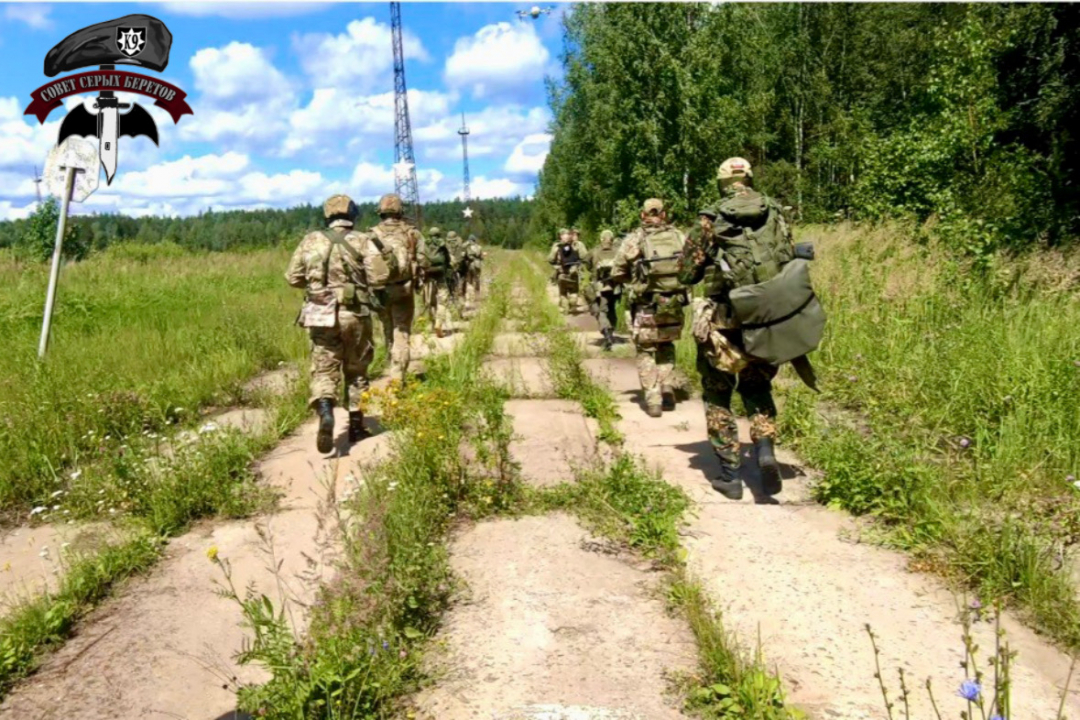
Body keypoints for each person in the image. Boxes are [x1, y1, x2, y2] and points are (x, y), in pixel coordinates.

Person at [677, 157, 797, 500]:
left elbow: (687, 273)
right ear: (750, 178)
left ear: (722, 183)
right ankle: (764, 449)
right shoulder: (774, 211)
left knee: (717, 390)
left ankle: (730, 474)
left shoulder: (710, 218)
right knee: (757, 386)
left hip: (725, 320)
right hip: (767, 316)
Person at [285, 194, 397, 454]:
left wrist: (316, 286)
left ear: (328, 215)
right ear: (352, 214)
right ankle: (356, 425)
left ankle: (325, 409)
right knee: (357, 368)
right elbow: (380, 276)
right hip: (354, 312)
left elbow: (292, 277)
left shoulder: (310, 240)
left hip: (319, 313)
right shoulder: (363, 240)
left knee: (324, 368)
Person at [610, 199, 687, 417]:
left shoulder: (634, 239)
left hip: (645, 304)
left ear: (643, 215)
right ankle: (667, 386)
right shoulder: (678, 236)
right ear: (663, 215)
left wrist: (633, 281)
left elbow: (617, 271)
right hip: (673, 303)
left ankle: (653, 400)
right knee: (666, 345)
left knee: (645, 350)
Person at [368, 194, 424, 385]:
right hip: (404, 290)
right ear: (400, 211)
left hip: (379, 291)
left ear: (380, 211)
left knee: (387, 329)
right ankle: (397, 376)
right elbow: (424, 259)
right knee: (402, 331)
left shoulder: (371, 234)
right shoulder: (412, 233)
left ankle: (391, 363)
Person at [585, 229, 621, 350]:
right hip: (615, 287)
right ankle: (610, 332)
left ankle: (607, 334)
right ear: (612, 239)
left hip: (599, 287)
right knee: (611, 309)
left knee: (601, 311)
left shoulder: (594, 251)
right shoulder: (618, 251)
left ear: (601, 239)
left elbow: (586, 263)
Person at [420, 227, 455, 338]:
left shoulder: (424, 243)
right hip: (440, 274)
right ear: (439, 234)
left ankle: (432, 322)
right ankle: (438, 323)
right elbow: (448, 259)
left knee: (428, 300)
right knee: (443, 298)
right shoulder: (442, 243)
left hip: (427, 273)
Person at [547, 228, 588, 314]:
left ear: (560, 236)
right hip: (574, 273)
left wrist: (556, 264)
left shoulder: (557, 246)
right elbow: (585, 257)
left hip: (561, 274)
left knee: (563, 293)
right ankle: (572, 302)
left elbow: (550, 259)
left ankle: (565, 308)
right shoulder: (577, 245)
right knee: (574, 292)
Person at [463, 234, 484, 305]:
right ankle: (477, 295)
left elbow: (464, 257)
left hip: (469, 265)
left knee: (469, 281)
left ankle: (469, 296)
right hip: (477, 265)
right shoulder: (479, 247)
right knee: (477, 280)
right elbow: (481, 257)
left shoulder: (467, 247)